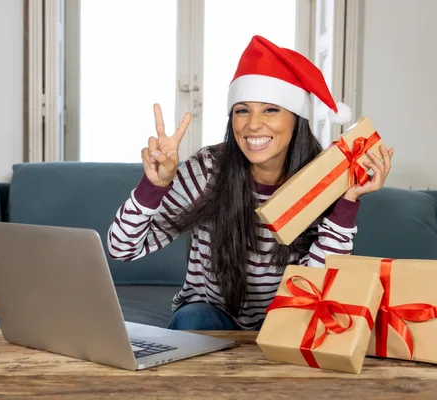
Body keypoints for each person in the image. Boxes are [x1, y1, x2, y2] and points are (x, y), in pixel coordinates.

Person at [107, 35, 394, 331]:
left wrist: (346, 204)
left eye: (270, 109)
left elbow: (318, 286)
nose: (253, 124)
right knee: (195, 317)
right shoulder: (207, 170)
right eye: (242, 110)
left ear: (296, 119)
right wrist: (153, 186)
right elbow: (122, 248)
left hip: (286, 318)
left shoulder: (321, 179)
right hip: (210, 315)